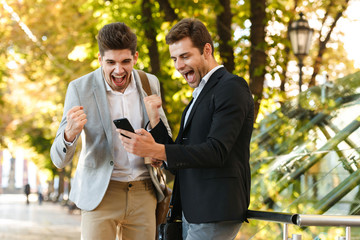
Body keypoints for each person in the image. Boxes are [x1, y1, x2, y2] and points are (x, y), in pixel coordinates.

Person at [120, 18, 254, 240]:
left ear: (206, 50)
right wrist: (155, 121)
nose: (178, 66)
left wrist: (158, 151)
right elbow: (181, 158)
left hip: (215, 210)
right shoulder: (198, 96)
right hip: (192, 211)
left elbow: (216, 151)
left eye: (185, 56)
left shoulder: (231, 87)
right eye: (174, 59)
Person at [50, 22, 171, 240]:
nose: (118, 70)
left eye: (125, 61)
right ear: (100, 60)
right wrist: (69, 133)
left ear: (135, 57)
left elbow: (166, 143)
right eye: (111, 62)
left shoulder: (149, 82)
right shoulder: (80, 88)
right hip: (101, 194)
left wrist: (156, 152)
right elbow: (58, 160)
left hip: (144, 192)